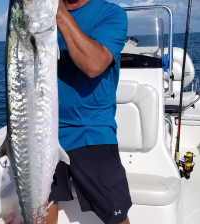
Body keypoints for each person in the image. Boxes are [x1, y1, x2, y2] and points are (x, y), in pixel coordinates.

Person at [47, 0, 131, 223]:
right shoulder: (38, 19)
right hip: (43, 133)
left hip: (91, 130)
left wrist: (57, 11)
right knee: (40, 209)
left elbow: (94, 65)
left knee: (116, 216)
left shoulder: (110, 14)